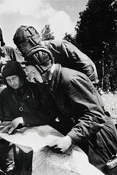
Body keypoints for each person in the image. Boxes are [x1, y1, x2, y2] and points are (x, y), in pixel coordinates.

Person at [14, 46, 117, 174]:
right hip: (82, 134)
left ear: (41, 68)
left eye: (31, 72)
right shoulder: (51, 82)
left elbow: (95, 115)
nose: (30, 77)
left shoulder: (69, 79)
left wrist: (70, 138)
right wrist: (24, 120)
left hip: (99, 139)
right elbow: (50, 112)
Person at [13, 25, 99, 84]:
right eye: (20, 47)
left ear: (34, 40)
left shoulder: (60, 46)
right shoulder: (30, 60)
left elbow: (87, 66)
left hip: (78, 86)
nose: (23, 49)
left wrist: (91, 87)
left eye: (25, 45)